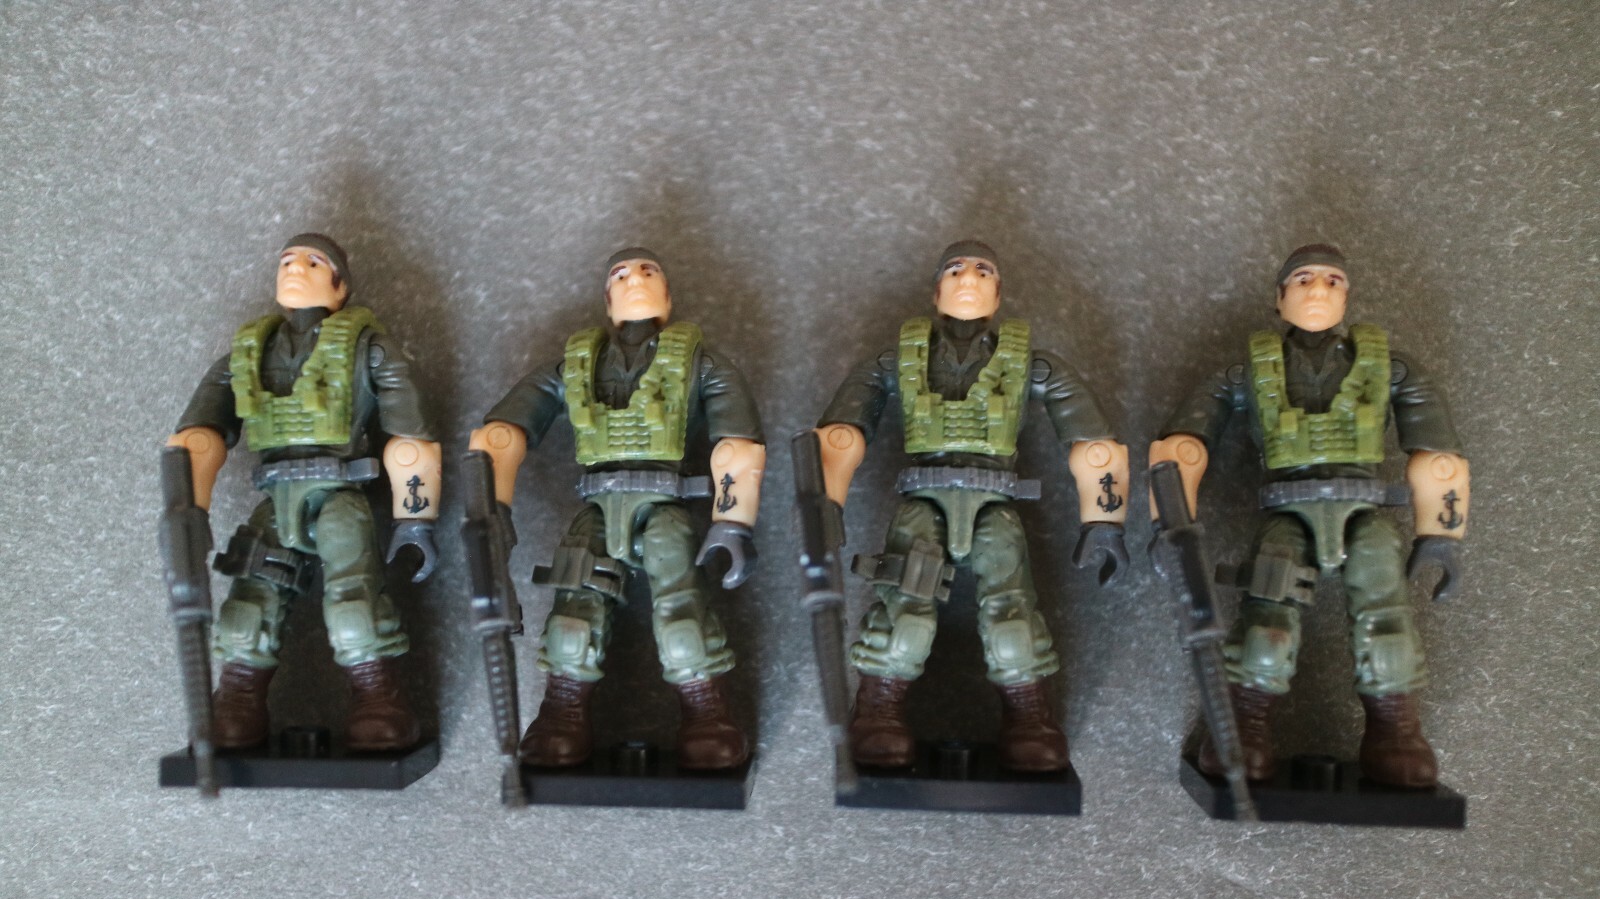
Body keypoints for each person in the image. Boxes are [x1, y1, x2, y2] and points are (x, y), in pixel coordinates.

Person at [1149, 244, 1469, 787]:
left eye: (1332, 281)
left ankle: (1396, 728)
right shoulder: (1247, 372)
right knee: (1266, 616)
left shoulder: (1388, 369)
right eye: (1302, 280)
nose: (1318, 290)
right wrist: (1172, 527)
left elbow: (1436, 453)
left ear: (1347, 296)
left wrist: (1439, 533)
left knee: (1386, 616)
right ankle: (1246, 723)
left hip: (1364, 510)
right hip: (1287, 509)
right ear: (1279, 297)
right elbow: (1184, 446)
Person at [816, 241, 1130, 772]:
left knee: (1013, 613)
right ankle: (878, 708)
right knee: (904, 606)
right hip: (924, 500)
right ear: (935, 290)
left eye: (983, 271)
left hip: (995, 502)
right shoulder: (898, 361)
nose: (968, 278)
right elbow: (842, 434)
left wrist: (1103, 518)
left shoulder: (1032, 365)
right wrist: (826, 503)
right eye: (956, 270)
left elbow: (1092, 444)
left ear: (999, 293)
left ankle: (1029, 715)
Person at [470, 248, 765, 770]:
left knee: (682, 609)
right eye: (622, 275)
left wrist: (732, 519)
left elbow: (736, 442)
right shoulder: (575, 366)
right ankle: (562, 708)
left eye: (649, 271)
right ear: (607, 300)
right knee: (574, 606)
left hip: (666, 503)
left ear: (668, 296)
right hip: (598, 505)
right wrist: (492, 509)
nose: (635, 280)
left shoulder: (699, 364)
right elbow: (503, 432)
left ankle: (706, 710)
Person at [167, 234, 440, 751]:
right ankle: (238, 695)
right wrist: (188, 513)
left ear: (340, 286)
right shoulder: (247, 354)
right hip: (277, 496)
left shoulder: (368, 350)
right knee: (251, 597)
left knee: (354, 598)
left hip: (340, 493)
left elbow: (409, 440)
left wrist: (415, 518)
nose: (295, 268)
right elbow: (199, 436)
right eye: (287, 261)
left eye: (314, 262)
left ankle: (377, 695)